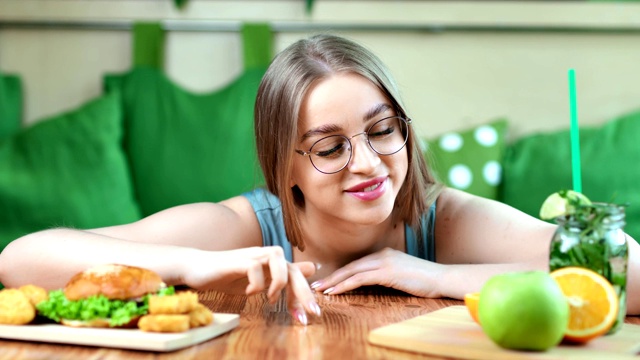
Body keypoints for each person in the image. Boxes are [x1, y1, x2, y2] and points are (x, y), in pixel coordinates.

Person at [0, 34, 638, 325]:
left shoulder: (446, 218)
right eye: (330, 147)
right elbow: (22, 257)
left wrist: (438, 277)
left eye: (383, 129)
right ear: (287, 167)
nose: (367, 163)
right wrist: (191, 266)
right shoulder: (251, 225)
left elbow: (627, 274)